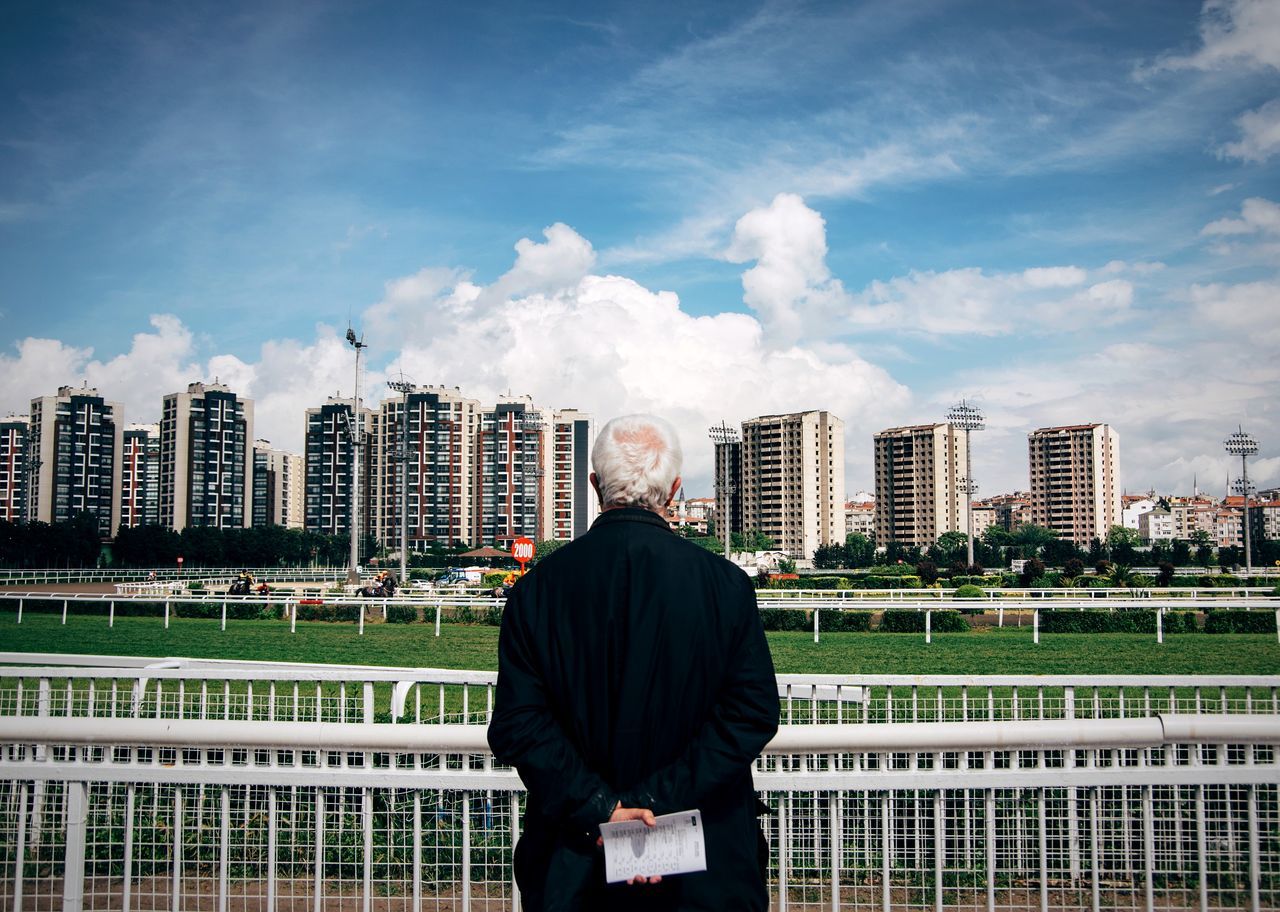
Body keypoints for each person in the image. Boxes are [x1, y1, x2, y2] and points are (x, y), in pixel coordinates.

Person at [488, 414, 780, 911]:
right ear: (674, 490)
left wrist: (605, 810)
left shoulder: (535, 590)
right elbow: (750, 714)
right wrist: (656, 807)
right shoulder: (727, 586)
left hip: (573, 867)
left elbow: (518, 724)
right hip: (706, 870)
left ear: (595, 485)